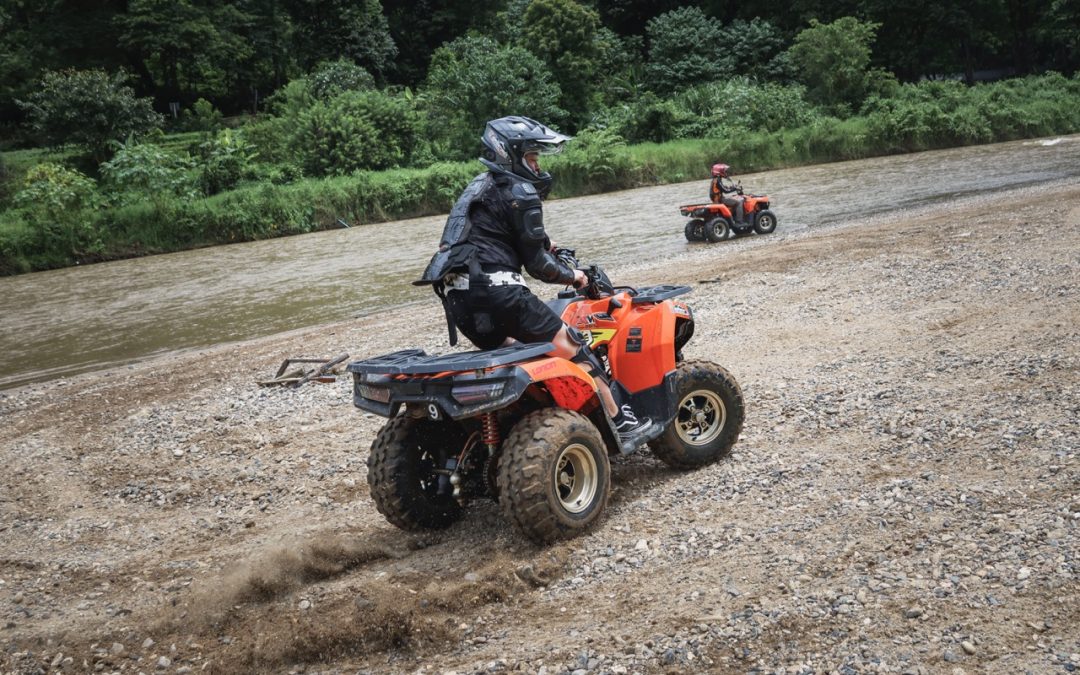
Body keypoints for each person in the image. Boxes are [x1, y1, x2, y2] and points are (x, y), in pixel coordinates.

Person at [415, 115, 652, 442]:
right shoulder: (522, 190)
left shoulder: (478, 186)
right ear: (510, 155)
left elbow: (495, 235)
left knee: (525, 351)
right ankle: (620, 422)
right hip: (499, 293)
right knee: (573, 346)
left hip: (458, 300)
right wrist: (576, 276)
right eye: (532, 158)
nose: (538, 166)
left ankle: (526, 418)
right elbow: (538, 266)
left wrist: (547, 243)